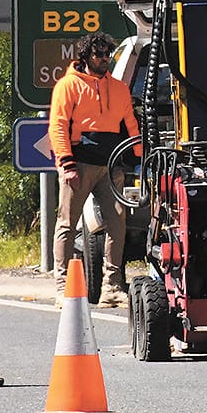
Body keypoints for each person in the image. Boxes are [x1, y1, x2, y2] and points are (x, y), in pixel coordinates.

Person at [48, 32, 139, 307]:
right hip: (79, 163)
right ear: (86, 56)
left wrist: (138, 158)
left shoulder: (119, 88)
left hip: (111, 165)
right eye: (98, 54)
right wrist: (66, 163)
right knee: (67, 223)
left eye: (107, 54)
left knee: (117, 223)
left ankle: (112, 287)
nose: (104, 59)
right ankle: (62, 288)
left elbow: (131, 125)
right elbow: (58, 126)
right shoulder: (68, 86)